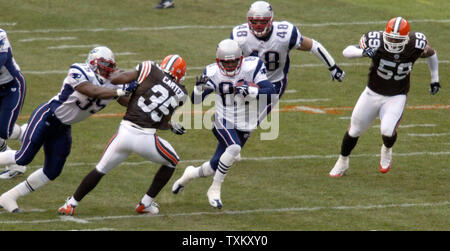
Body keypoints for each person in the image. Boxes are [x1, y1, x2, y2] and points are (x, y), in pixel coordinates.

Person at [0, 46, 137, 213]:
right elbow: (91, 90)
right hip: (47, 116)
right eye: (104, 64)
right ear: (93, 63)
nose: (107, 69)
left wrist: (137, 96)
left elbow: (124, 100)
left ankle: (9, 197)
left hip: (63, 127)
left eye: (110, 65)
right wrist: (119, 90)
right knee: (23, 158)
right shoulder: (80, 69)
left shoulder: (111, 82)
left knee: (52, 171)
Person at [58, 54, 188, 216]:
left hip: (124, 132)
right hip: (146, 138)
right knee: (172, 160)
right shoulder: (182, 93)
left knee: (100, 168)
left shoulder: (150, 67)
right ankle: (145, 203)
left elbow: (116, 80)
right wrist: (172, 126)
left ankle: (71, 204)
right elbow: (160, 123)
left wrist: (125, 84)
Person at [329, 17, 441, 177]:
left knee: (388, 131)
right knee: (354, 130)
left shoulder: (415, 44)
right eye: (391, 37)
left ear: (406, 38)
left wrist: (434, 78)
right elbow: (346, 52)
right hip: (372, 93)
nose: (394, 41)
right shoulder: (376, 41)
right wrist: (362, 52)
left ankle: (387, 149)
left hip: (396, 96)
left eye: (398, 39)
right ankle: (342, 161)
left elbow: (431, 53)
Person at [171, 39, 277, 209]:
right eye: (225, 63)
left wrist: (252, 90)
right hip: (222, 119)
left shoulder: (253, 66)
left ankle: (190, 173)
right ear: (218, 62)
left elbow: (271, 92)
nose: (229, 66)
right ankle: (215, 189)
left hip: (245, 123)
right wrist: (198, 90)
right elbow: (197, 101)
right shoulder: (212, 72)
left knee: (213, 167)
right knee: (234, 148)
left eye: (233, 62)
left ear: (240, 59)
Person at [231, 1, 345, 101]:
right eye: (254, 22)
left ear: (270, 20)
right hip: (249, 82)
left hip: (275, 83)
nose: (258, 26)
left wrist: (333, 66)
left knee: (246, 121)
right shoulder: (239, 36)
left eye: (263, 22)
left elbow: (312, 45)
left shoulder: (285, 34)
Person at [0, 29, 28, 179]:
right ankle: (16, 164)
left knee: (3, 132)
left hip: (12, 86)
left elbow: (1, 60)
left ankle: (26, 134)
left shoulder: (1, 35)